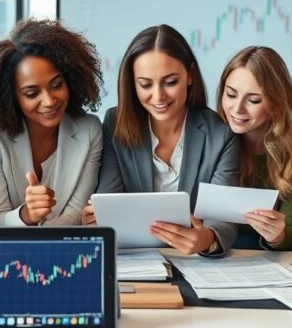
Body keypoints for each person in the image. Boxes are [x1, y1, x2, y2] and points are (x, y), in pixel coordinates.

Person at [83, 25, 239, 256]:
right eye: (145, 84)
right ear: (132, 83)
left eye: (170, 82)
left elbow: (222, 218)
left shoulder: (221, 133)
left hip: (194, 262)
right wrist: (96, 217)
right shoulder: (115, 123)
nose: (158, 96)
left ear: (190, 75)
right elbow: (109, 198)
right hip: (134, 259)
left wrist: (206, 238)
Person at [0, 19, 103, 226]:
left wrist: (41, 244)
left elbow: (76, 213)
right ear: (11, 96)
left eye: (56, 85)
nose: (49, 101)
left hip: (65, 249)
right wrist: (26, 215)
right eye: (32, 93)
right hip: (12, 253)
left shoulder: (89, 130)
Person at [216, 46, 292, 250]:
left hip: (269, 254)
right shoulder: (211, 135)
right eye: (231, 95)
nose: (237, 109)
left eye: (253, 100)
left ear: (277, 103)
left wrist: (278, 235)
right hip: (215, 247)